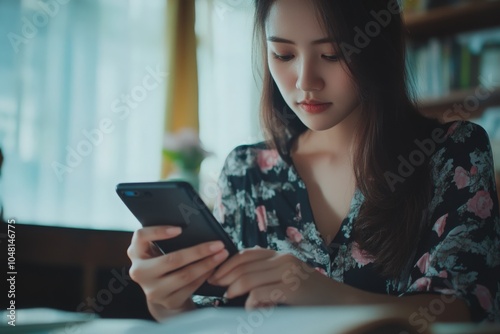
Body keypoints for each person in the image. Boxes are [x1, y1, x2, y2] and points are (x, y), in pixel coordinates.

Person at [127, 0, 500, 323]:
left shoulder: (453, 153)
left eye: (332, 54)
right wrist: (170, 306)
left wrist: (323, 293)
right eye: (284, 55)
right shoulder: (247, 171)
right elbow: (221, 319)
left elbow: (466, 310)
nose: (305, 81)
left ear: (378, 47)